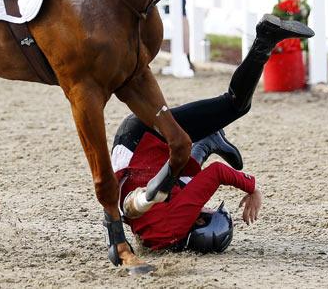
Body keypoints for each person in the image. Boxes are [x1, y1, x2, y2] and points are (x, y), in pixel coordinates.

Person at [111, 14, 315, 252]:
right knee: (180, 182)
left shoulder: (179, 224)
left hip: (144, 141)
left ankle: (265, 40)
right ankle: (208, 142)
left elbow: (217, 173)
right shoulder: (161, 239)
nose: (205, 206)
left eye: (207, 211)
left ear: (200, 221)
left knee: (234, 105)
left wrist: (252, 187)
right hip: (131, 153)